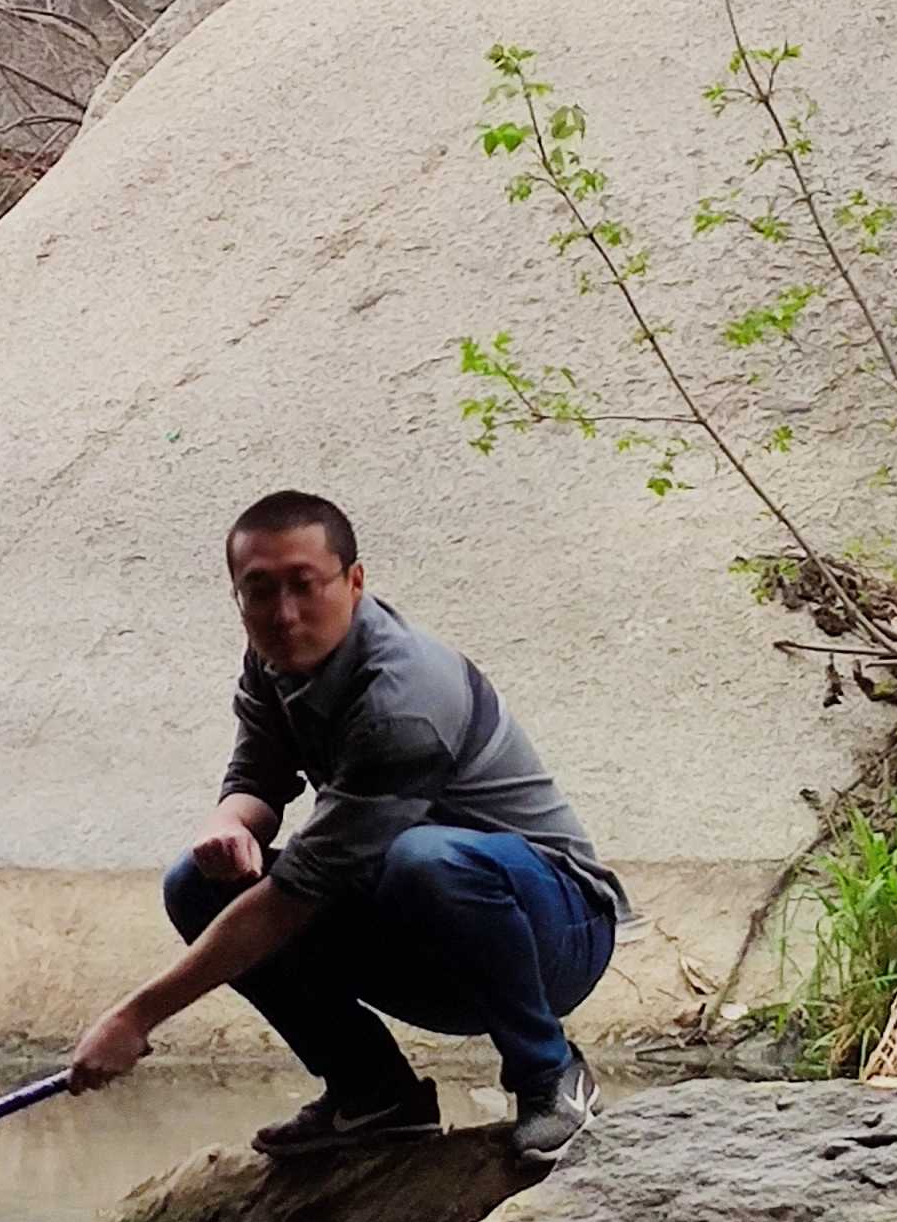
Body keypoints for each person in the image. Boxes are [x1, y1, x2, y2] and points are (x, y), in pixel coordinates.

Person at [63, 491, 623, 1168]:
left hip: (554, 932)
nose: (284, 613)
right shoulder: (273, 662)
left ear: (354, 583)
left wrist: (136, 1017)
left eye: (305, 585)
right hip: (419, 926)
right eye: (258, 591)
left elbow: (298, 893)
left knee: (425, 859)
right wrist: (228, 826)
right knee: (196, 883)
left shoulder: (403, 700)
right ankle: (375, 1096)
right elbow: (258, 780)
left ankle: (550, 1074)